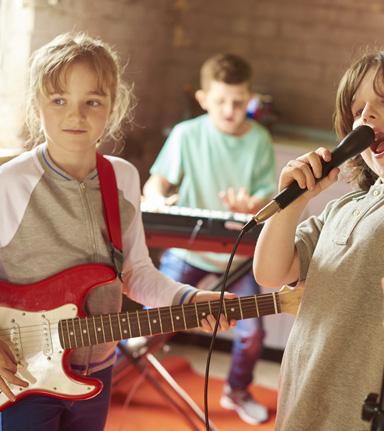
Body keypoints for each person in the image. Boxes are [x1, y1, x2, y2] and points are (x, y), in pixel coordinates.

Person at [0, 32, 233, 431]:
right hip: (23, 378)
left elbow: (135, 273)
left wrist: (188, 297)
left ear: (113, 106)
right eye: (59, 100)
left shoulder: (122, 177)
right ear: (37, 104)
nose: (76, 115)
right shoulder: (10, 183)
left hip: (97, 372)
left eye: (93, 101)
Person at [253, 49, 384, 431]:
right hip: (299, 405)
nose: (365, 116)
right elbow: (270, 273)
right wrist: (290, 205)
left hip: (362, 417)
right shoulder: (345, 207)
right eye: (357, 109)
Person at [143, 53, 276, 425]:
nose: (230, 111)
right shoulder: (187, 134)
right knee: (148, 323)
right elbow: (158, 182)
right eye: (220, 102)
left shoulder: (260, 140)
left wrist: (253, 204)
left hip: (239, 253)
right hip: (187, 249)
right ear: (203, 99)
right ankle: (117, 373)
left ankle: (237, 390)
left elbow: (268, 198)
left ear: (250, 99)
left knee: (252, 333)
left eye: (238, 102)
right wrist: (155, 198)